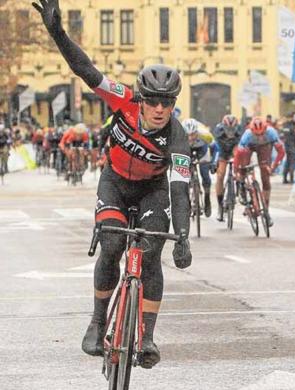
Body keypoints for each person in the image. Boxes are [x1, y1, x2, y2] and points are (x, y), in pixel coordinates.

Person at [33, 0, 192, 369]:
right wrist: (57, 32)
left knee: (152, 255)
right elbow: (84, 68)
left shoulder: (178, 138)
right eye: (153, 101)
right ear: (141, 98)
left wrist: (183, 237)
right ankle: (97, 321)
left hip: (152, 191)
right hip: (115, 183)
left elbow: (180, 190)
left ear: (172, 105)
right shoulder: (121, 99)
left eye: (166, 103)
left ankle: (147, 337)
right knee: (112, 244)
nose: (158, 109)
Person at [234, 117, 285, 226]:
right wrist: (237, 171)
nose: (260, 136)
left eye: (262, 134)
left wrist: (273, 166)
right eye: (256, 135)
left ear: (266, 129)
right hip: (249, 147)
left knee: (265, 177)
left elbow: (281, 152)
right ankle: (242, 188)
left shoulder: (271, 133)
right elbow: (238, 155)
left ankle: (266, 211)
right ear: (252, 131)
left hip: (264, 147)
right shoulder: (247, 135)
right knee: (243, 168)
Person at [212, 114, 244, 221]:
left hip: (234, 150)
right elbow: (216, 149)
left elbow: (241, 147)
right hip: (222, 151)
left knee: (240, 169)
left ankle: (240, 188)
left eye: (232, 129)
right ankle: (220, 206)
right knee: (220, 175)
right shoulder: (218, 131)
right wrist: (214, 162)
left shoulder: (240, 131)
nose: (230, 132)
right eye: (228, 129)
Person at [182, 118, 216, 217]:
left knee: (205, 174)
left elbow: (216, 149)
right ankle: (186, 201)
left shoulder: (205, 135)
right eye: (187, 135)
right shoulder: (178, 135)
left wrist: (213, 162)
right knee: (183, 176)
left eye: (193, 134)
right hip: (185, 150)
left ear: (197, 132)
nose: (190, 138)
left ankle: (207, 198)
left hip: (202, 150)